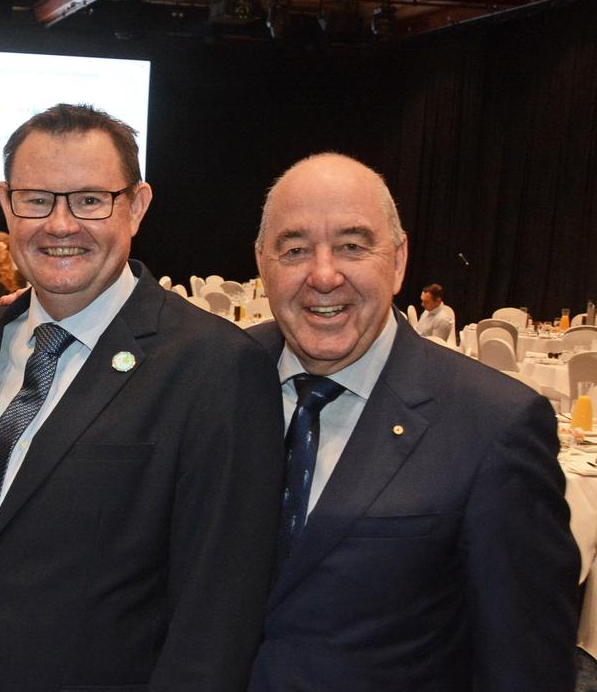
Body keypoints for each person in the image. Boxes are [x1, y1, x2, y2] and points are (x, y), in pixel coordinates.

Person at [0, 104, 284, 692]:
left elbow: (218, 611)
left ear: (138, 206)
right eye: (37, 199)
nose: (61, 224)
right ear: (5, 203)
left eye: (90, 200)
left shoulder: (215, 365)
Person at [247, 152, 577, 691]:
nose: (324, 274)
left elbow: (525, 663)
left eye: (353, 246)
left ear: (398, 261)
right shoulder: (220, 377)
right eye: (295, 249)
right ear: (262, 263)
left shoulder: (495, 423)